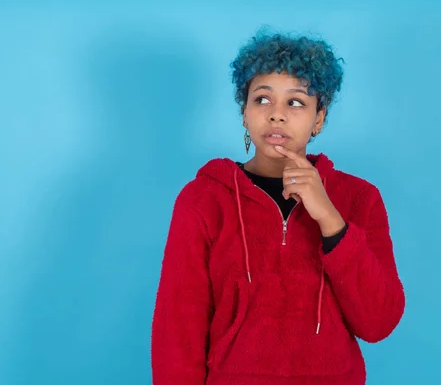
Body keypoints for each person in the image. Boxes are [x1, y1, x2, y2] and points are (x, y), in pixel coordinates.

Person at [151, 28, 405, 385]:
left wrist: (331, 220)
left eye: (296, 102)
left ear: (319, 118)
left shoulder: (359, 198)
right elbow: (176, 331)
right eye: (262, 99)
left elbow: (379, 322)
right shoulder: (203, 200)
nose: (277, 115)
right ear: (244, 112)